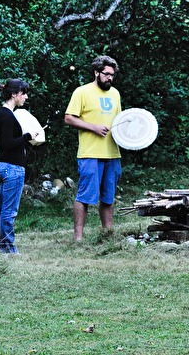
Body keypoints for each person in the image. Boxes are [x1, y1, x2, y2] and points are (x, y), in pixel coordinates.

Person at [64, 55, 122, 241]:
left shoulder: (115, 94)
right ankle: (78, 238)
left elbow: (120, 122)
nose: (110, 78)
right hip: (90, 153)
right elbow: (69, 118)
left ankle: (107, 234)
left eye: (112, 75)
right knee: (85, 196)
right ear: (96, 72)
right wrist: (94, 127)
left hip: (112, 153)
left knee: (108, 197)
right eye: (106, 74)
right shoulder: (82, 92)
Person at [0, 78, 32, 254]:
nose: (25, 97)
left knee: (2, 210)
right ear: (14, 94)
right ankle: (9, 248)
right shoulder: (8, 115)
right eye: (23, 93)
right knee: (9, 212)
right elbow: (7, 143)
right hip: (12, 168)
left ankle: (0, 246)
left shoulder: (4, 114)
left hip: (5, 166)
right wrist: (27, 136)